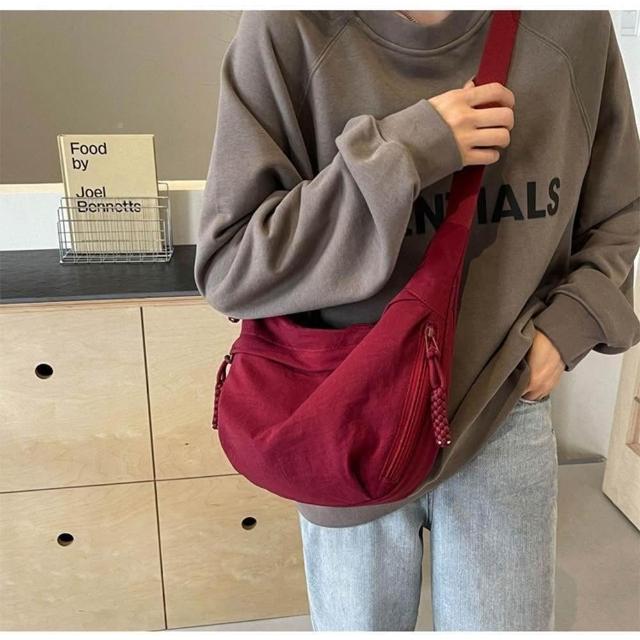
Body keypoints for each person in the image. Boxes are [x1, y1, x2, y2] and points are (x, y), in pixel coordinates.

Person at [194, 9, 640, 631]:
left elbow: (620, 209)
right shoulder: (290, 28)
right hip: (347, 417)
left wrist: (567, 329)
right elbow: (233, 264)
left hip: (502, 406)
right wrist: (407, 149)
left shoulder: (570, 23)